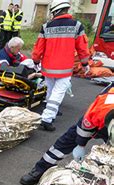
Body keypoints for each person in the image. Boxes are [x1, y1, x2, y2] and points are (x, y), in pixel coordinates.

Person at [20, 86, 114, 185]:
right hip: (97, 118)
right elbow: (84, 128)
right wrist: (81, 145)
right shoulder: (100, 110)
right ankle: (40, 169)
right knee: (66, 142)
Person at [32, 0, 90, 131]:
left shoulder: (46, 26)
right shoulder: (77, 26)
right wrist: (85, 63)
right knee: (57, 93)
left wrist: (36, 61)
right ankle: (46, 119)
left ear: (55, 11)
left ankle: (51, 110)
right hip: (64, 68)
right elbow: (83, 48)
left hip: (48, 67)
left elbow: (38, 47)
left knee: (51, 91)